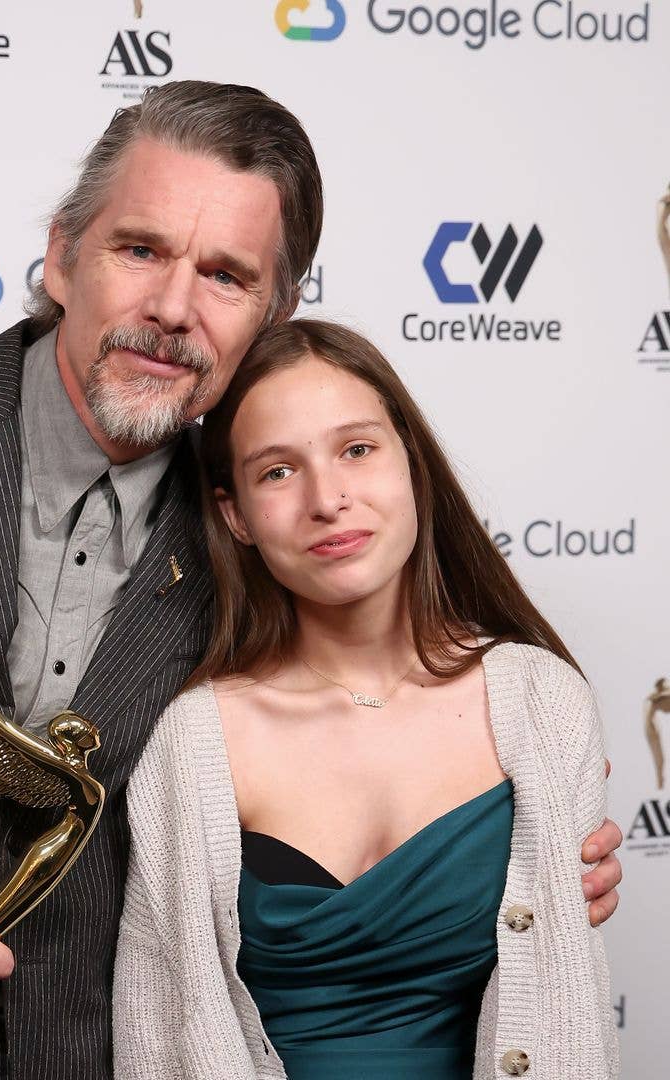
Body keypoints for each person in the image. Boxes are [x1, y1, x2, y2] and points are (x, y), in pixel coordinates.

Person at [0, 84, 620, 1080]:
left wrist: (514, 857)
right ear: (59, 257)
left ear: (274, 312)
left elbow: (372, 730)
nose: (173, 308)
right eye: (140, 250)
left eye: (226, 276)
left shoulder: (260, 534)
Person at [114, 319, 619, 1079]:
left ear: (410, 463)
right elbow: (161, 1035)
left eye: (356, 449)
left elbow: (563, 1010)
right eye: (278, 471)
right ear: (235, 516)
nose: (328, 499)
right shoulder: (194, 739)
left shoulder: (543, 703)